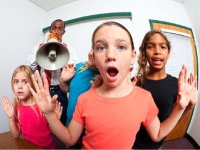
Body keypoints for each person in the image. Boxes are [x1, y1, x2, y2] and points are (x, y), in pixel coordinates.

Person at [29, 21, 196, 149]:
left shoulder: (144, 98)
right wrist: (49, 114)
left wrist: (180, 107)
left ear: (132, 56)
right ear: (93, 57)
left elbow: (157, 133)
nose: (110, 54)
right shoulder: (85, 99)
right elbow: (70, 138)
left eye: (121, 47)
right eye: (101, 48)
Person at [132, 30, 197, 149]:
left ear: (168, 52)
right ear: (144, 52)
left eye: (163, 47)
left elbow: (174, 118)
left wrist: (189, 106)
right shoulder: (136, 82)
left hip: (158, 145)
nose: (157, 51)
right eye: (150, 47)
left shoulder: (176, 85)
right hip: (132, 144)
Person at [26, 19, 79, 125]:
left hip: (60, 90)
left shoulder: (69, 49)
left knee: (61, 118)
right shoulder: (39, 47)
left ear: (63, 32)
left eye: (60, 28)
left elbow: (74, 68)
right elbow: (30, 66)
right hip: (42, 89)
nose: (56, 31)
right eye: (54, 28)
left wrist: (62, 52)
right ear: (50, 30)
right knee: (41, 119)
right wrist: (42, 51)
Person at [1, 65, 62, 149]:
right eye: (16, 81)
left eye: (25, 82)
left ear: (33, 84)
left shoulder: (42, 105)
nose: (19, 86)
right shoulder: (17, 107)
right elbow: (15, 135)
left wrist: (55, 120)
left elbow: (52, 131)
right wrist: (11, 118)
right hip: (28, 147)